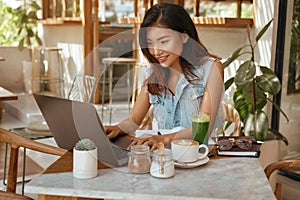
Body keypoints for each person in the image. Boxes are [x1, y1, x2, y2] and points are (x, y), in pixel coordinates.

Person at [104, 3, 224, 150]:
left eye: (164, 41)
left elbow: (203, 129)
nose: (156, 51)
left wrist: (164, 138)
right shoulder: (153, 73)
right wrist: (117, 128)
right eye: (150, 43)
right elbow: (134, 120)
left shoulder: (211, 68)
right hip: (163, 157)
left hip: (199, 155)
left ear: (184, 37)